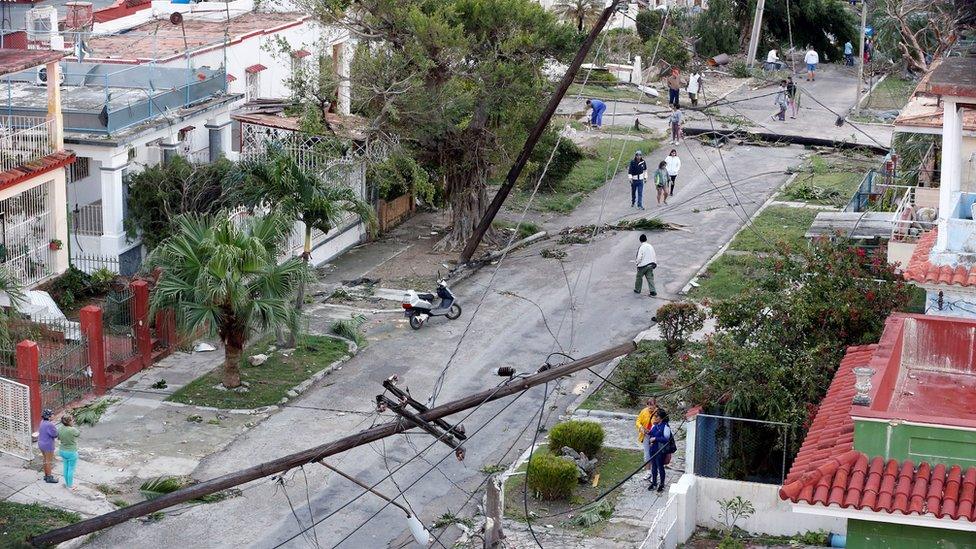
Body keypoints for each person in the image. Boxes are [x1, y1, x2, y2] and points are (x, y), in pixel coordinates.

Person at [647, 408, 673, 493]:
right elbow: (651, 433)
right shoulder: (655, 425)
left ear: (661, 418)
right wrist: (647, 432)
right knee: (653, 466)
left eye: (656, 416)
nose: (654, 417)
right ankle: (654, 483)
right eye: (654, 416)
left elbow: (666, 439)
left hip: (660, 450)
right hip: (653, 449)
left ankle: (661, 484)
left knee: (660, 466)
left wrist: (655, 438)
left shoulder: (665, 427)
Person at [635, 398, 658, 480]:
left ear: (655, 405)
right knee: (646, 454)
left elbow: (661, 424)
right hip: (646, 435)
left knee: (655, 454)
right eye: (648, 405)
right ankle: (648, 472)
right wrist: (640, 427)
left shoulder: (658, 413)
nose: (650, 407)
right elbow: (638, 421)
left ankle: (655, 472)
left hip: (655, 437)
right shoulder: (644, 411)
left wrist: (653, 431)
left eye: (652, 405)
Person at [58, 414, 81, 491]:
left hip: (62, 450)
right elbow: (78, 434)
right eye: (72, 420)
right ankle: (70, 485)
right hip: (71, 452)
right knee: (71, 469)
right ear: (69, 422)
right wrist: (72, 427)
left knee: (65, 467)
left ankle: (67, 483)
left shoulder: (60, 428)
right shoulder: (72, 429)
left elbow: (58, 437)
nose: (73, 421)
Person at [38, 409, 59, 484]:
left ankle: (46, 475)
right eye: (52, 414)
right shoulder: (50, 424)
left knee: (45, 459)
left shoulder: (42, 422)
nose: (53, 415)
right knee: (49, 461)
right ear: (49, 416)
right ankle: (49, 477)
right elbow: (55, 434)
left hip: (41, 443)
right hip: (48, 445)